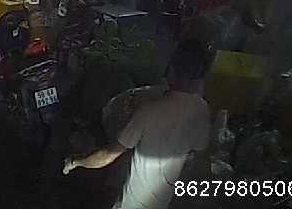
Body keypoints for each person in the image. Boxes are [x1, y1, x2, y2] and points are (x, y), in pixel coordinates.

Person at [63, 39, 212, 209]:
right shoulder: (201, 108)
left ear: (171, 68)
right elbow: (200, 156)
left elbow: (107, 155)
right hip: (163, 203)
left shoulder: (148, 111)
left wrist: (75, 162)